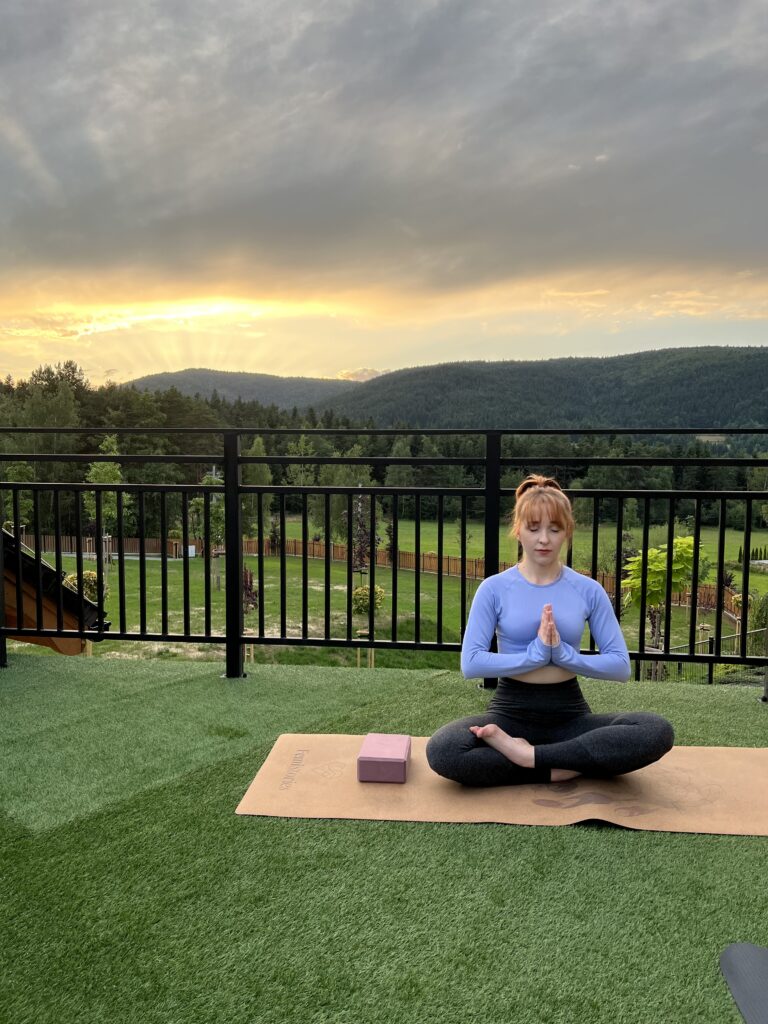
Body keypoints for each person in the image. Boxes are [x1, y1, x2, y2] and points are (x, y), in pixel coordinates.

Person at [426, 474, 675, 786]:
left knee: (655, 730)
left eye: (554, 529)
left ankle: (529, 758)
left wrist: (564, 655)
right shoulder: (494, 588)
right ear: (518, 530)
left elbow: (620, 666)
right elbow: (471, 663)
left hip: (570, 714)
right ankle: (570, 763)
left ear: (566, 532)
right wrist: (535, 656)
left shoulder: (588, 589)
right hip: (509, 712)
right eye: (533, 528)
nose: (543, 539)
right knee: (444, 750)